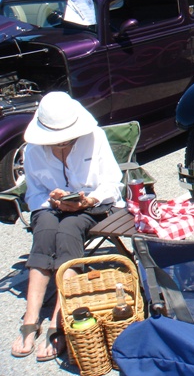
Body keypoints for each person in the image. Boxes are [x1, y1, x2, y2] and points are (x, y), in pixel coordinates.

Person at [11, 92, 124, 361]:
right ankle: (31, 317)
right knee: (45, 229)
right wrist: (52, 201)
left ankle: (59, 319)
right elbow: (33, 194)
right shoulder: (33, 149)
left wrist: (89, 200)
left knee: (69, 229)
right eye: (56, 141)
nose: (62, 144)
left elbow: (112, 183)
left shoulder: (94, 138)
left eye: (67, 139)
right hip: (52, 207)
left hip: (93, 205)